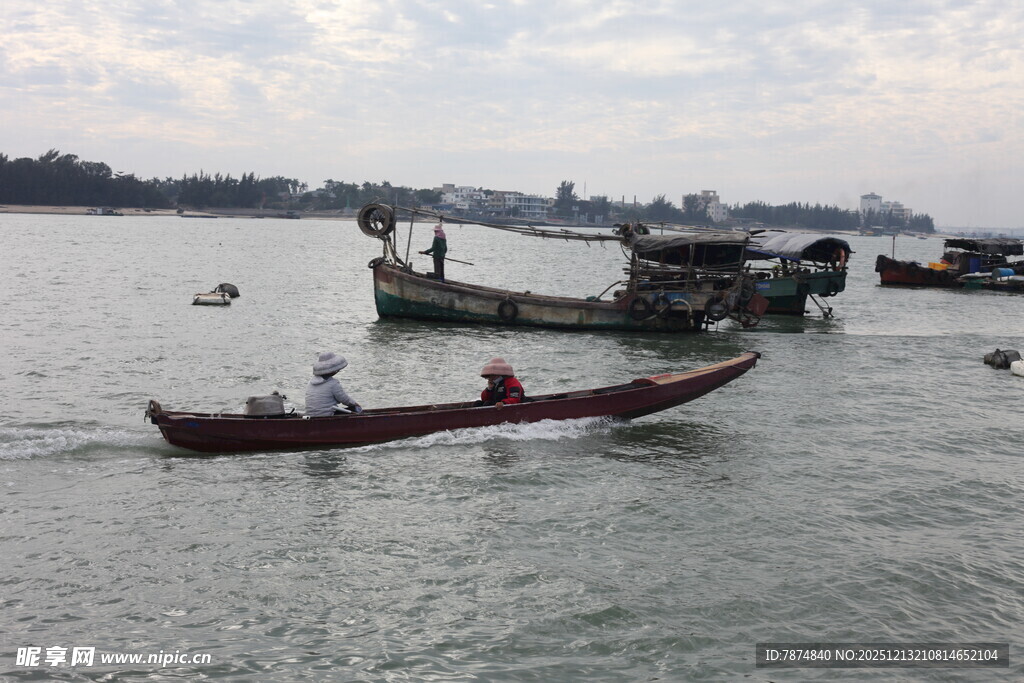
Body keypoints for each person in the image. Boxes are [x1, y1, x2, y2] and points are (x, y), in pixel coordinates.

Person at [305, 351, 362, 417]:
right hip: (327, 415)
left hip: (310, 415)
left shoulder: (310, 383)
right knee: (356, 409)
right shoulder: (333, 383)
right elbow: (344, 399)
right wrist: (355, 404)